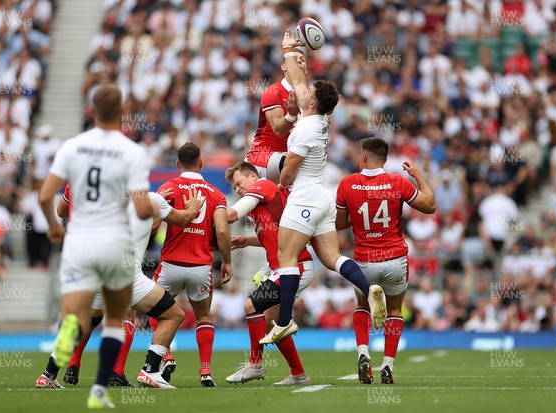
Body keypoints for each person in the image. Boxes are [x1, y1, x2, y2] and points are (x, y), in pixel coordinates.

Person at [260, 31, 386, 345]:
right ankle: (368, 287)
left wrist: (279, 184)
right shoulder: (318, 117)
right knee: (331, 257)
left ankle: (285, 321)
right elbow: (301, 83)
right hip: (323, 198)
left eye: (308, 92)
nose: (303, 91)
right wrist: (289, 47)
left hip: (303, 196)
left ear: (312, 102)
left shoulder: (303, 128)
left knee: (286, 257)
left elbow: (288, 172)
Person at [37, 84, 159, 408]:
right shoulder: (132, 152)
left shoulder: (73, 147)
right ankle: (99, 391)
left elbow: (45, 196)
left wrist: (52, 227)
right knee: (116, 319)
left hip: (78, 243)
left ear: (91, 110)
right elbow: (144, 208)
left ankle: (57, 357)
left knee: (75, 315)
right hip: (113, 244)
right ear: (121, 113)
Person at [37, 185, 203, 390]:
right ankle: (150, 370)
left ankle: (48, 374)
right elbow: (182, 219)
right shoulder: (152, 200)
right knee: (174, 315)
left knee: (85, 324)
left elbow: (64, 211)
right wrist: (193, 208)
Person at [335, 137, 436, 385]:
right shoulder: (397, 182)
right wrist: (419, 176)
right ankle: (388, 366)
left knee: (361, 306)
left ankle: (363, 353)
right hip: (395, 258)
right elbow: (430, 206)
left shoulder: (347, 183)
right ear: (386, 159)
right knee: (393, 311)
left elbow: (338, 224)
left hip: (364, 262)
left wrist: (359, 216)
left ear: (364, 157)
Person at [224, 161, 312, 385]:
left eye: (238, 183)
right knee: (274, 326)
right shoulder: (263, 199)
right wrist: (248, 240)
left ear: (253, 176)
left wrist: (204, 214)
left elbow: (232, 215)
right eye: (233, 187)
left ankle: (255, 364)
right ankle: (299, 375)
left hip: (294, 266)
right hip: (288, 266)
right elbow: (274, 234)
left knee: (250, 306)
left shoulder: (262, 186)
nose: (237, 189)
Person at [153, 142, 232, 387]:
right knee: (204, 317)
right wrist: (227, 261)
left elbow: (153, 225)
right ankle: (205, 371)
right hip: (201, 266)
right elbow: (221, 230)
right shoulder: (215, 192)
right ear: (201, 163)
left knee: (156, 310)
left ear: (177, 164)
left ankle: (166, 355)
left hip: (170, 263)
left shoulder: (168, 188)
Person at [245, 46, 307, 183]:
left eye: (302, 60)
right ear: (284, 66)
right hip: (263, 156)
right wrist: (291, 115)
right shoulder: (273, 91)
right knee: (302, 163)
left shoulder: (310, 96)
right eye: (295, 60)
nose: (300, 63)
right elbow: (278, 130)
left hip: (292, 159)